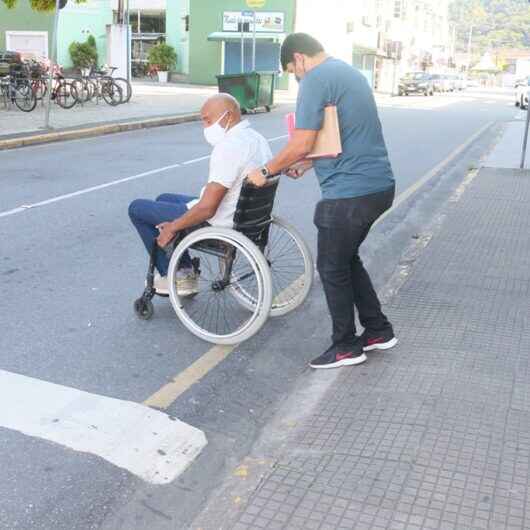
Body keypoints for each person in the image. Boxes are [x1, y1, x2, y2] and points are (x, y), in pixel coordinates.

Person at [248, 33, 398, 369]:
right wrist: (307, 162)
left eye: (292, 71)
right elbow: (338, 135)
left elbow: (301, 141)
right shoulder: (348, 74)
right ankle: (377, 330)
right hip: (378, 187)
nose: (296, 77)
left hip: (348, 194)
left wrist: (266, 170)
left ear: (299, 59)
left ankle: (345, 346)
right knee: (346, 260)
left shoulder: (315, 80)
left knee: (331, 267)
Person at [129, 93, 272, 296]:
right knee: (164, 198)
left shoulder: (229, 147)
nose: (205, 127)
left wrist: (173, 227)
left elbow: (207, 208)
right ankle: (185, 267)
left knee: (137, 208)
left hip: (219, 222)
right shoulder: (256, 139)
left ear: (228, 116)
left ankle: (180, 275)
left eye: (208, 120)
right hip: (246, 216)